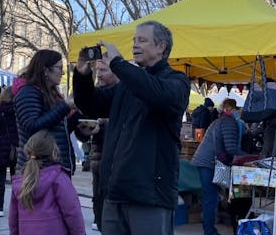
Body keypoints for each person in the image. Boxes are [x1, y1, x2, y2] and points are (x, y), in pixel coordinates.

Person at [73, 20, 190, 235]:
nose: (135, 45)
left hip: (149, 197)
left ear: (161, 47)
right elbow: (90, 104)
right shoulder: (127, 85)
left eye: (142, 40)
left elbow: (155, 93)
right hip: (115, 192)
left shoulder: (176, 81)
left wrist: (118, 63)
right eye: (134, 40)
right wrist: (81, 76)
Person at [8, 129, 86, 235]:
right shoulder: (59, 178)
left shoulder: (20, 181)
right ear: (54, 152)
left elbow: (13, 217)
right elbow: (72, 213)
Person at [14, 49, 77, 175]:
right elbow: (32, 125)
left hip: (53, 167)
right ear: (46, 70)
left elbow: (57, 128)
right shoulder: (28, 92)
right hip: (37, 170)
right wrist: (65, 106)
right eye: (59, 68)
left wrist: (80, 122)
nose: (63, 72)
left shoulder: (52, 93)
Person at [191, 98, 243, 235]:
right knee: (211, 198)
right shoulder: (229, 122)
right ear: (232, 109)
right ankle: (209, 231)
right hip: (209, 162)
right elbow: (231, 148)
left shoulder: (219, 121)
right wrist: (250, 156)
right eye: (237, 109)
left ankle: (209, 229)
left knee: (211, 197)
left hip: (205, 161)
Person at [88, 59, 119, 232]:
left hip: (116, 157)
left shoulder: (122, 93)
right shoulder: (96, 93)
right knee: (98, 193)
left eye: (103, 70)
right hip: (98, 154)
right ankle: (98, 220)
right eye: (97, 70)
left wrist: (106, 123)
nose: (98, 74)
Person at [0, 87, 18, 217]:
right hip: (16, 146)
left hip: (1, 144)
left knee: (1, 177)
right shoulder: (19, 110)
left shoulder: (0, 111)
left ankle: (0, 208)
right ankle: (16, 208)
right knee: (16, 178)